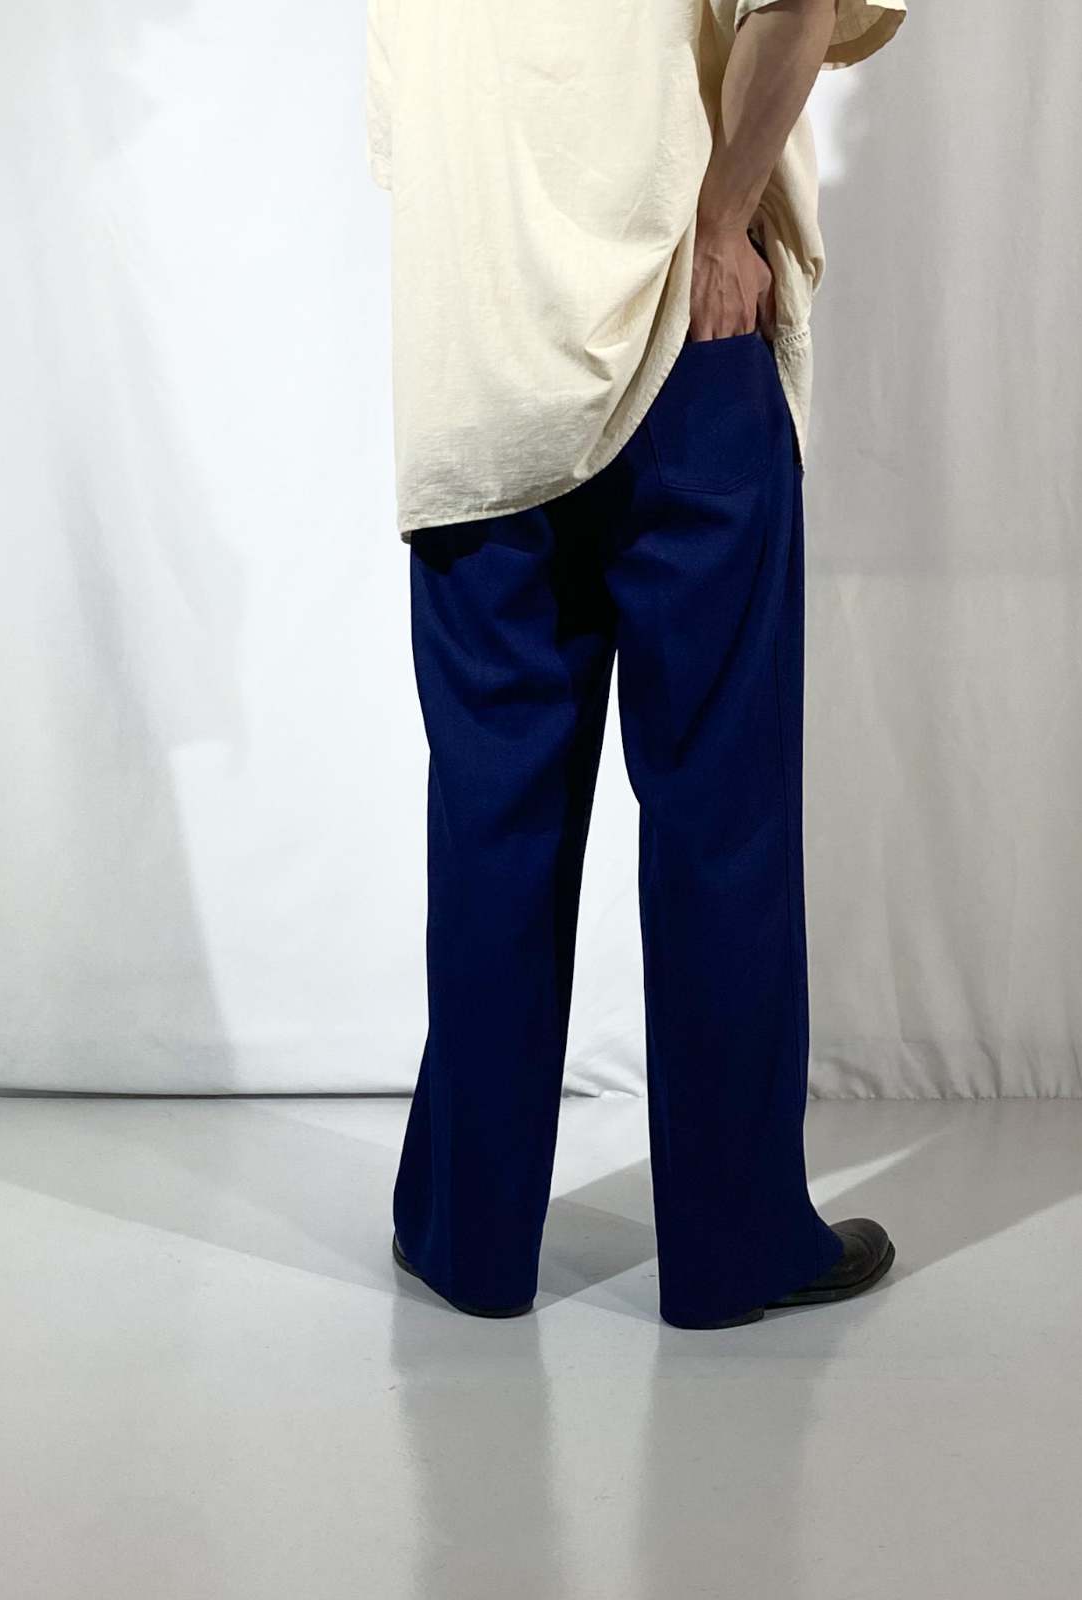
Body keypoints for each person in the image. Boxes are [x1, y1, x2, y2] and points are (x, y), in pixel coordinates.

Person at [367, 0, 906, 1329]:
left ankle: (469, 1235)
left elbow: (410, 125)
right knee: (721, 817)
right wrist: (721, 226)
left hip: (480, 375)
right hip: (681, 347)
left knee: (493, 824)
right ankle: (737, 1247)